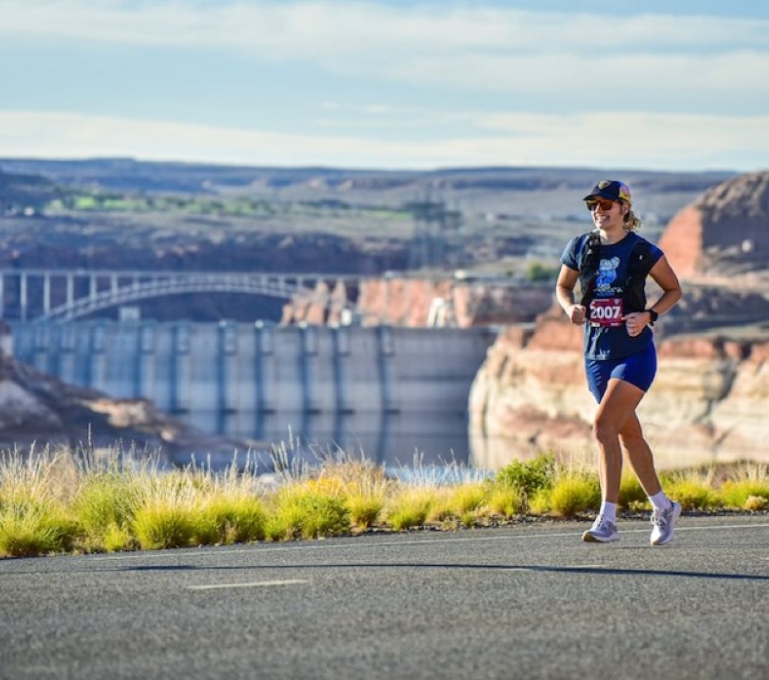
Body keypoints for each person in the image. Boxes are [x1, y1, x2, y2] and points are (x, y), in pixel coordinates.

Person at [555, 180, 683, 545]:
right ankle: (663, 506)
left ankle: (608, 519)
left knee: (602, 425)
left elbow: (674, 289)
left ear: (625, 208)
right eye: (594, 204)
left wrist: (649, 315)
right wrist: (570, 308)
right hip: (596, 355)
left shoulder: (642, 251)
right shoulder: (580, 246)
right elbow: (563, 287)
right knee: (628, 434)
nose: (599, 210)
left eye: (607, 204)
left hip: (634, 353)